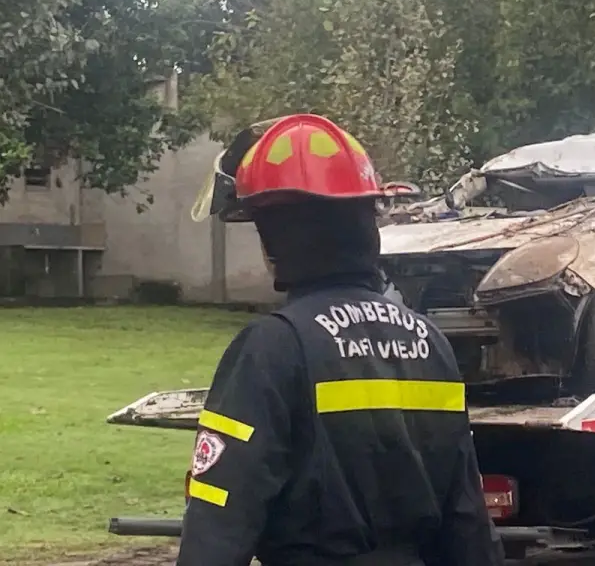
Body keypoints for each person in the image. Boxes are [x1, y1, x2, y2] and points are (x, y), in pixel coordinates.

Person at [177, 114, 502, 566]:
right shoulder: (431, 343)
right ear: (366, 223)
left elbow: (219, 521)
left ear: (277, 239)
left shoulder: (273, 348)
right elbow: (467, 521)